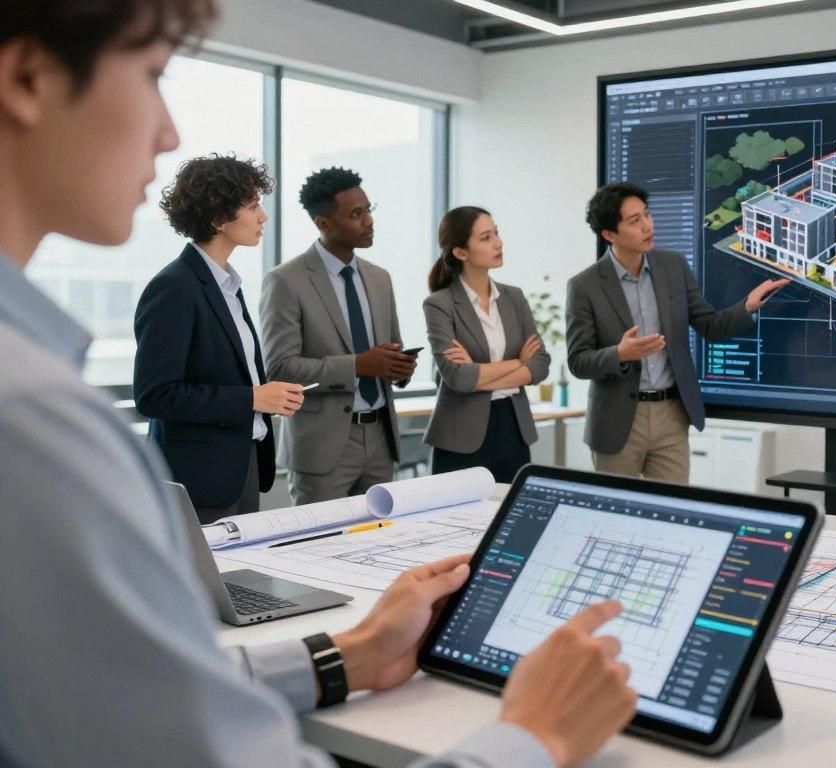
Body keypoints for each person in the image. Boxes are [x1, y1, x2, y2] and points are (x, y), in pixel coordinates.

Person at [0, 2, 636, 765]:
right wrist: (535, 735)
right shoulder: (30, 417)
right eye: (152, 75)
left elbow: (120, 694)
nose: (168, 133)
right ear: (28, 77)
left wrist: (346, 655)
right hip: (285, 452)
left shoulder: (36, 387)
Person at [566, 182, 788, 482]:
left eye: (647, 215)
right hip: (617, 421)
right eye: (634, 221)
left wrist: (746, 306)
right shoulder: (585, 286)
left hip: (671, 413)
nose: (647, 225)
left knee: (674, 512)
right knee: (620, 514)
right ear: (609, 234)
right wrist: (619, 354)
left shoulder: (673, 266)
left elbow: (709, 324)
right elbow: (579, 361)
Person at [133, 154, 303, 521]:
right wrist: (253, 398)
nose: (263, 217)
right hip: (197, 478)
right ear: (217, 218)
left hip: (241, 465)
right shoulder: (174, 287)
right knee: (203, 580)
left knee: (236, 579)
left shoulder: (227, 285)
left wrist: (263, 394)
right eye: (253, 205)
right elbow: (155, 395)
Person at [259, 166, 416, 505]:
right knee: (319, 548)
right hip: (322, 447)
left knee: (381, 542)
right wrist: (358, 365)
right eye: (356, 214)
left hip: (380, 439)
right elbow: (280, 368)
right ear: (323, 224)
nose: (369, 221)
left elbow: (389, 352)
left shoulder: (380, 278)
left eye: (369, 209)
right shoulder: (286, 281)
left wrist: (399, 367)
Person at [424, 206, 550, 483]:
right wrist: (518, 363)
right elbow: (457, 377)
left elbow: (540, 365)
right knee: (458, 523)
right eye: (485, 237)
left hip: (513, 427)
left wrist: (479, 376)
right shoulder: (440, 304)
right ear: (460, 252)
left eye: (496, 233)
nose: (498, 242)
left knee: (509, 518)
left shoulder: (513, 298)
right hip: (460, 435)